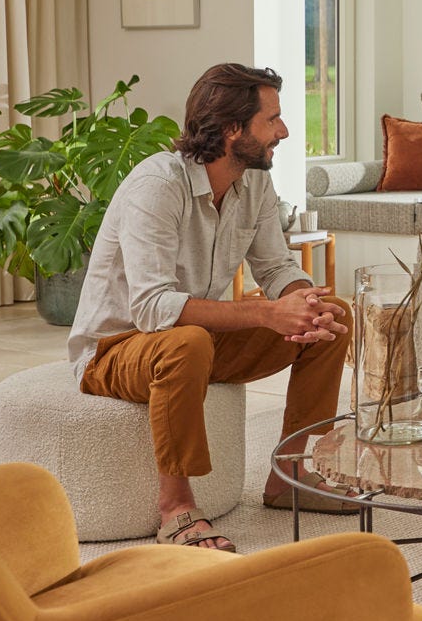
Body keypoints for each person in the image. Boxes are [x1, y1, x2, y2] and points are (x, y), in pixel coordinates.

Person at [67, 63, 354, 554]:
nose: (283, 132)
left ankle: (290, 474)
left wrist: (303, 299)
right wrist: (267, 314)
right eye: (273, 120)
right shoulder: (157, 186)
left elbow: (276, 265)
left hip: (197, 339)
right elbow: (153, 308)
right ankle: (175, 510)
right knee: (187, 342)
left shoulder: (254, 181)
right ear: (231, 129)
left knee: (335, 317)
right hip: (115, 349)